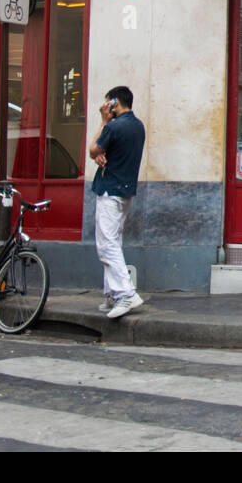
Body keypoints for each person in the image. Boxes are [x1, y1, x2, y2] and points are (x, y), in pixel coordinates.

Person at [89, 86, 147, 318]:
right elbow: (102, 153)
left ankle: (125, 294)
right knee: (113, 241)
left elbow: (93, 149)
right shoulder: (137, 125)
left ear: (114, 102)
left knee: (107, 246)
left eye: (108, 103)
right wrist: (100, 154)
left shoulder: (113, 126)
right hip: (124, 190)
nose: (106, 107)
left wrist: (103, 121)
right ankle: (112, 293)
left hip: (110, 190)